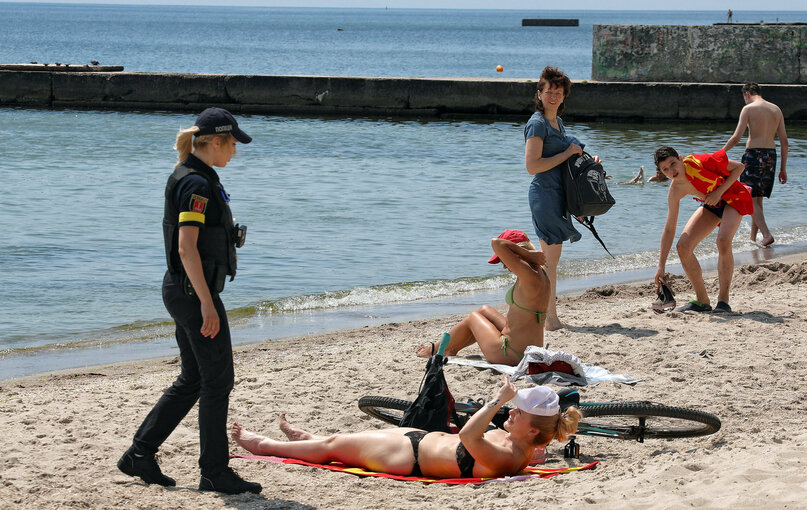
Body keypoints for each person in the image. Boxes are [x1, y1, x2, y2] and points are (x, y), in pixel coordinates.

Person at [117, 108, 262, 495]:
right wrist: (206, 303)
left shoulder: (195, 177)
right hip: (192, 293)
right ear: (215, 142)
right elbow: (186, 248)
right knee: (218, 381)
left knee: (195, 378)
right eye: (233, 145)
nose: (235, 153)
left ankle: (140, 453)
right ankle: (214, 471)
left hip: (183, 290)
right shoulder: (196, 184)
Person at [231, 378, 581, 479]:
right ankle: (306, 439)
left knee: (335, 446)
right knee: (334, 443)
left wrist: (496, 400)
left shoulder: (507, 455)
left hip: (408, 457)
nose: (511, 414)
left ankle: (266, 446)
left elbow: (467, 436)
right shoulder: (527, 444)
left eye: (518, 413)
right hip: (418, 440)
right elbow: (543, 444)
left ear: (532, 430)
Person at [524, 66, 601, 331]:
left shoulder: (557, 123)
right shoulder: (537, 123)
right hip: (544, 195)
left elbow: (569, 155)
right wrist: (568, 152)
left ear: (564, 95)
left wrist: (585, 159)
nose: (554, 96)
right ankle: (549, 319)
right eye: (549, 92)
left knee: (550, 261)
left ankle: (546, 316)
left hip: (558, 195)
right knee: (550, 262)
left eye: (559, 92)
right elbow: (532, 165)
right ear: (539, 93)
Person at [416, 229, 550, 365]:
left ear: (517, 253)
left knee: (473, 318)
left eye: (503, 259)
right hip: (527, 349)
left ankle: (431, 351)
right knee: (484, 310)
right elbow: (500, 246)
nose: (504, 266)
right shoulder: (540, 271)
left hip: (511, 354)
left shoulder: (529, 275)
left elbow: (496, 243)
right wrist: (527, 255)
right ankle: (452, 349)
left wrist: (526, 253)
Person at [653, 146, 752, 313]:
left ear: (681, 158)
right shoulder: (675, 190)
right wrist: (661, 266)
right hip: (712, 203)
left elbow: (739, 167)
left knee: (723, 240)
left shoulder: (700, 162)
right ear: (662, 173)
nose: (671, 170)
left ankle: (723, 301)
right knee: (683, 247)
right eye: (665, 169)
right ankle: (702, 300)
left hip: (733, 196)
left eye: (673, 163)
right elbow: (669, 229)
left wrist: (719, 192)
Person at [721, 82, 789, 247]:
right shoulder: (776, 109)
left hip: (753, 155)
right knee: (757, 199)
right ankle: (753, 239)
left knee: (748, 196)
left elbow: (737, 137)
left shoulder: (748, 109)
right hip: (770, 156)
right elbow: (784, 142)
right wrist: (782, 169)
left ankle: (766, 235)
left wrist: (721, 153)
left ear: (747, 94)